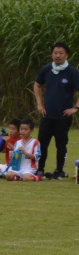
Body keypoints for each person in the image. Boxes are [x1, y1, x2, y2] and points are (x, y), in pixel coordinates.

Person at [33, 42, 79, 179]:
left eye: (61, 53)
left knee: (61, 144)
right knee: (42, 143)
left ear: (66, 55)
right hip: (47, 115)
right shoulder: (47, 69)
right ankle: (40, 169)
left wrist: (76, 108)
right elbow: (37, 85)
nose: (58, 55)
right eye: (55, 53)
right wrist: (39, 104)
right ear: (52, 54)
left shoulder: (72, 72)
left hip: (63, 116)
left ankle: (59, 171)